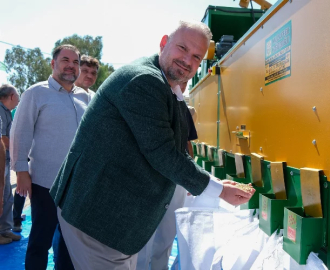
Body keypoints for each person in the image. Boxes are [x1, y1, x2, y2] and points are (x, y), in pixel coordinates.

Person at [50, 20, 254, 270]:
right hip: (98, 220)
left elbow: (175, 149)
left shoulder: (169, 87)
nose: (187, 60)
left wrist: (210, 182)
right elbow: (162, 153)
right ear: (163, 44)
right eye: (182, 48)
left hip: (115, 222)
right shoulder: (144, 81)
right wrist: (219, 190)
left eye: (196, 57)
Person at [10, 44, 89, 269]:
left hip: (77, 184)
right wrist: (21, 171)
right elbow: (20, 132)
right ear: (53, 64)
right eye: (65, 60)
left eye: (76, 62)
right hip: (46, 182)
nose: (71, 66)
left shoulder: (84, 97)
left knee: (70, 242)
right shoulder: (36, 93)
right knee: (40, 240)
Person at [136, 84, 198, 270]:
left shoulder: (182, 108)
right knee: (142, 237)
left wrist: (190, 180)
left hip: (175, 180)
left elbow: (187, 145)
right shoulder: (148, 103)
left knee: (167, 233)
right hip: (147, 180)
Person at [0, 84, 20, 245]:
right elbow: (3, 139)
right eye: (18, 96)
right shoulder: (1, 111)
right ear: (12, 96)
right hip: (2, 161)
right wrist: (21, 150)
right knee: (2, 196)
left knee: (6, 196)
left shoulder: (6, 112)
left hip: (5, 161)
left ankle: (5, 230)